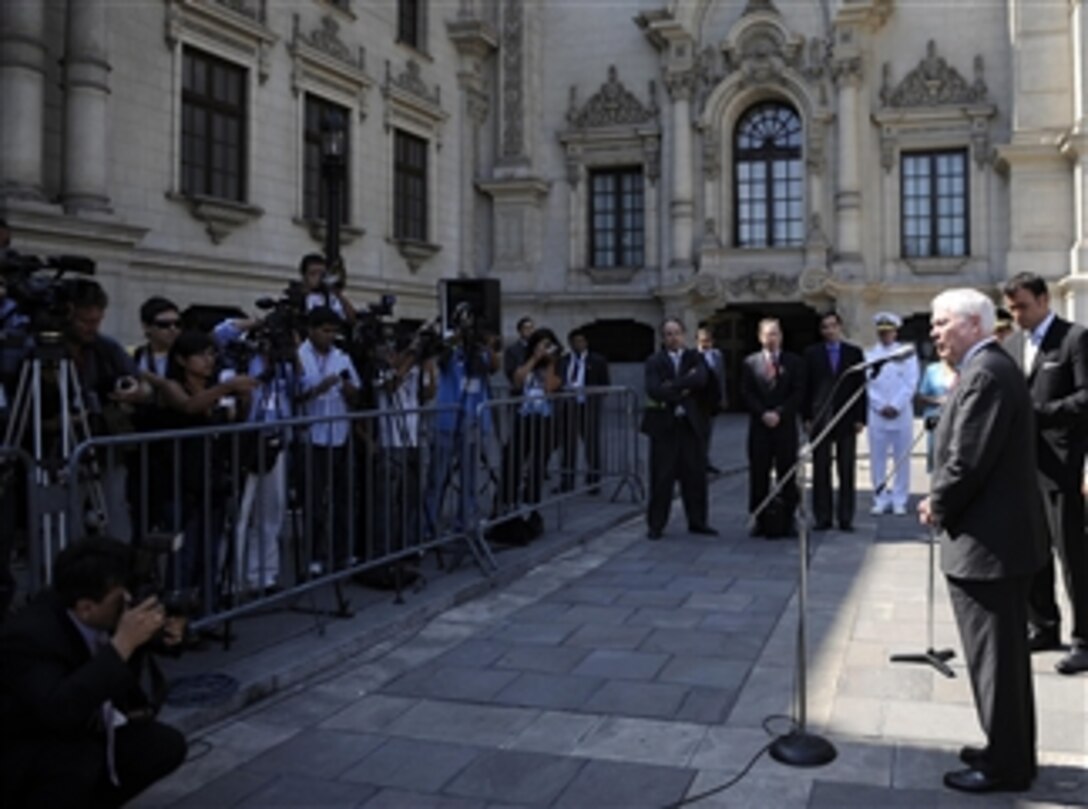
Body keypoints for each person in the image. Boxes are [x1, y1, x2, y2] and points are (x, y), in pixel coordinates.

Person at [919, 288, 1046, 794]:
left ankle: (1006, 767)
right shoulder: (986, 367)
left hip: (988, 547)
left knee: (996, 663)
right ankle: (1009, 749)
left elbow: (967, 458)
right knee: (1002, 662)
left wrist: (937, 503)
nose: (934, 332)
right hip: (995, 542)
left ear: (974, 324)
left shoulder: (987, 373)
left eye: (941, 322)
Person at [0, 537, 188, 808]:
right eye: (118, 601)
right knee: (79, 763)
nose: (126, 606)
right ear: (86, 607)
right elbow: (60, 709)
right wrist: (123, 643)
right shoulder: (29, 637)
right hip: (28, 750)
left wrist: (169, 634)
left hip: (86, 729)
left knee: (163, 746)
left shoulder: (97, 610)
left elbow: (140, 645)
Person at [1002, 272, 1088, 674]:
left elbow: (1086, 397)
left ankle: (1084, 637)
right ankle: (1044, 625)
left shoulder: (1074, 340)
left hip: (1063, 466)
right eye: (1011, 308)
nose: (1016, 315)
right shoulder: (1014, 344)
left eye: (1022, 306)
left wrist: (1042, 415)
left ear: (1043, 299)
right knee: (1032, 550)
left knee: (1072, 554)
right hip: (1024, 467)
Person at [297, 306, 361, 574]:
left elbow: (356, 393)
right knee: (313, 500)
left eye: (334, 331)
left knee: (341, 497)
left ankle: (341, 552)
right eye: (325, 331)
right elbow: (294, 395)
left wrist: (347, 389)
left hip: (339, 435)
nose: (330, 336)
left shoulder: (342, 357)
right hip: (312, 436)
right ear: (311, 330)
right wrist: (317, 389)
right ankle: (314, 554)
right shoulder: (299, 356)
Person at [641, 318, 716, 540]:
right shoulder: (654, 361)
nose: (673, 338)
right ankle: (656, 525)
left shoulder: (696, 357)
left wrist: (672, 385)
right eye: (668, 334)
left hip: (691, 425)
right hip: (664, 426)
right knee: (661, 477)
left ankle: (698, 521)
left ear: (684, 335)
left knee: (695, 476)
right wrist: (683, 388)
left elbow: (701, 380)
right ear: (663, 338)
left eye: (676, 333)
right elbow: (654, 389)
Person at [801, 312, 866, 532]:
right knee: (821, 470)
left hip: (846, 418)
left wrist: (860, 417)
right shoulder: (812, 353)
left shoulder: (854, 353)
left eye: (833, 326)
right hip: (820, 419)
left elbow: (860, 387)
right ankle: (823, 517)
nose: (830, 331)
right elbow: (805, 388)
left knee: (846, 469)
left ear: (840, 327)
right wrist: (807, 417)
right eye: (825, 327)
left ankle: (846, 517)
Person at [741, 318, 804, 537]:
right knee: (759, 474)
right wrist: (763, 413)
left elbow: (798, 392)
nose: (771, 338)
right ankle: (759, 518)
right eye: (767, 334)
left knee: (787, 474)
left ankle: (789, 518)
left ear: (781, 336)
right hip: (760, 428)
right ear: (760, 337)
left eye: (775, 333)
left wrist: (779, 412)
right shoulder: (750, 363)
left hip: (785, 427)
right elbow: (746, 393)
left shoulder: (794, 362)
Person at [865, 311, 920, 515]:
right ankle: (880, 497)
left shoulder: (907, 354)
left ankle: (899, 498)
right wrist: (880, 406)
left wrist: (896, 405)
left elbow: (910, 383)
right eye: (882, 332)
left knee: (902, 457)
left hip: (901, 412)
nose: (885, 336)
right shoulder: (870, 355)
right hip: (877, 413)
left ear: (896, 333)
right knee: (877, 458)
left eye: (889, 332)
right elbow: (868, 385)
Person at [558, 327, 610, 493]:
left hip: (588, 406)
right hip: (568, 406)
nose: (578, 344)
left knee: (591, 444)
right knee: (568, 445)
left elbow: (605, 384)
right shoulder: (564, 361)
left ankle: (594, 479)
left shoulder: (597, 361)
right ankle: (567, 479)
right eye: (574, 341)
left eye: (581, 341)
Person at [695, 326, 728, 475]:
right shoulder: (692, 356)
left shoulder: (717, 356)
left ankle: (705, 460)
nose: (705, 344)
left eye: (707, 341)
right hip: (697, 402)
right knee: (697, 433)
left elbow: (721, 378)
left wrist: (723, 397)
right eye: (702, 341)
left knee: (708, 432)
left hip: (711, 401)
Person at [915, 356, 956, 472]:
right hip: (935, 416)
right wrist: (937, 400)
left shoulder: (963, 369)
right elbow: (921, 395)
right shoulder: (932, 370)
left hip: (955, 416)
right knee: (935, 452)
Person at [298, 253, 356, 324]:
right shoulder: (299, 298)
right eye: (313, 274)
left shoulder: (331, 297)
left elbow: (351, 319)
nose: (318, 277)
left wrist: (339, 295)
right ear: (304, 276)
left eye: (322, 273)